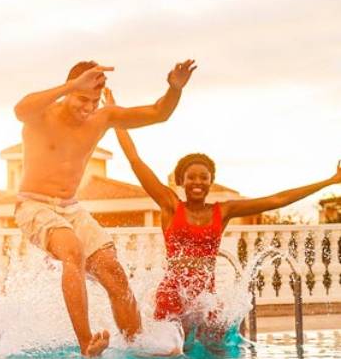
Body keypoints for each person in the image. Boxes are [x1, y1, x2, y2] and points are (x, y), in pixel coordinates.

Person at [107, 88, 341, 345]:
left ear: (211, 181)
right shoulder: (171, 206)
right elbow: (135, 160)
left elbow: (277, 200)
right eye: (191, 177)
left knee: (217, 350)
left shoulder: (224, 211)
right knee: (172, 351)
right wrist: (115, 117)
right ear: (181, 180)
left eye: (203, 177)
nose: (197, 182)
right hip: (172, 295)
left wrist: (330, 181)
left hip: (204, 298)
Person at [13, 59, 196, 357]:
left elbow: (158, 113)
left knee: (113, 270)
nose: (88, 108)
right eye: (82, 99)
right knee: (73, 250)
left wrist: (174, 88)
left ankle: (137, 343)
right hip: (33, 204)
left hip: (71, 208)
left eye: (93, 101)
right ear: (69, 90)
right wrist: (73, 85)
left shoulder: (102, 118)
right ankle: (86, 344)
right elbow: (20, 110)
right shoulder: (42, 114)